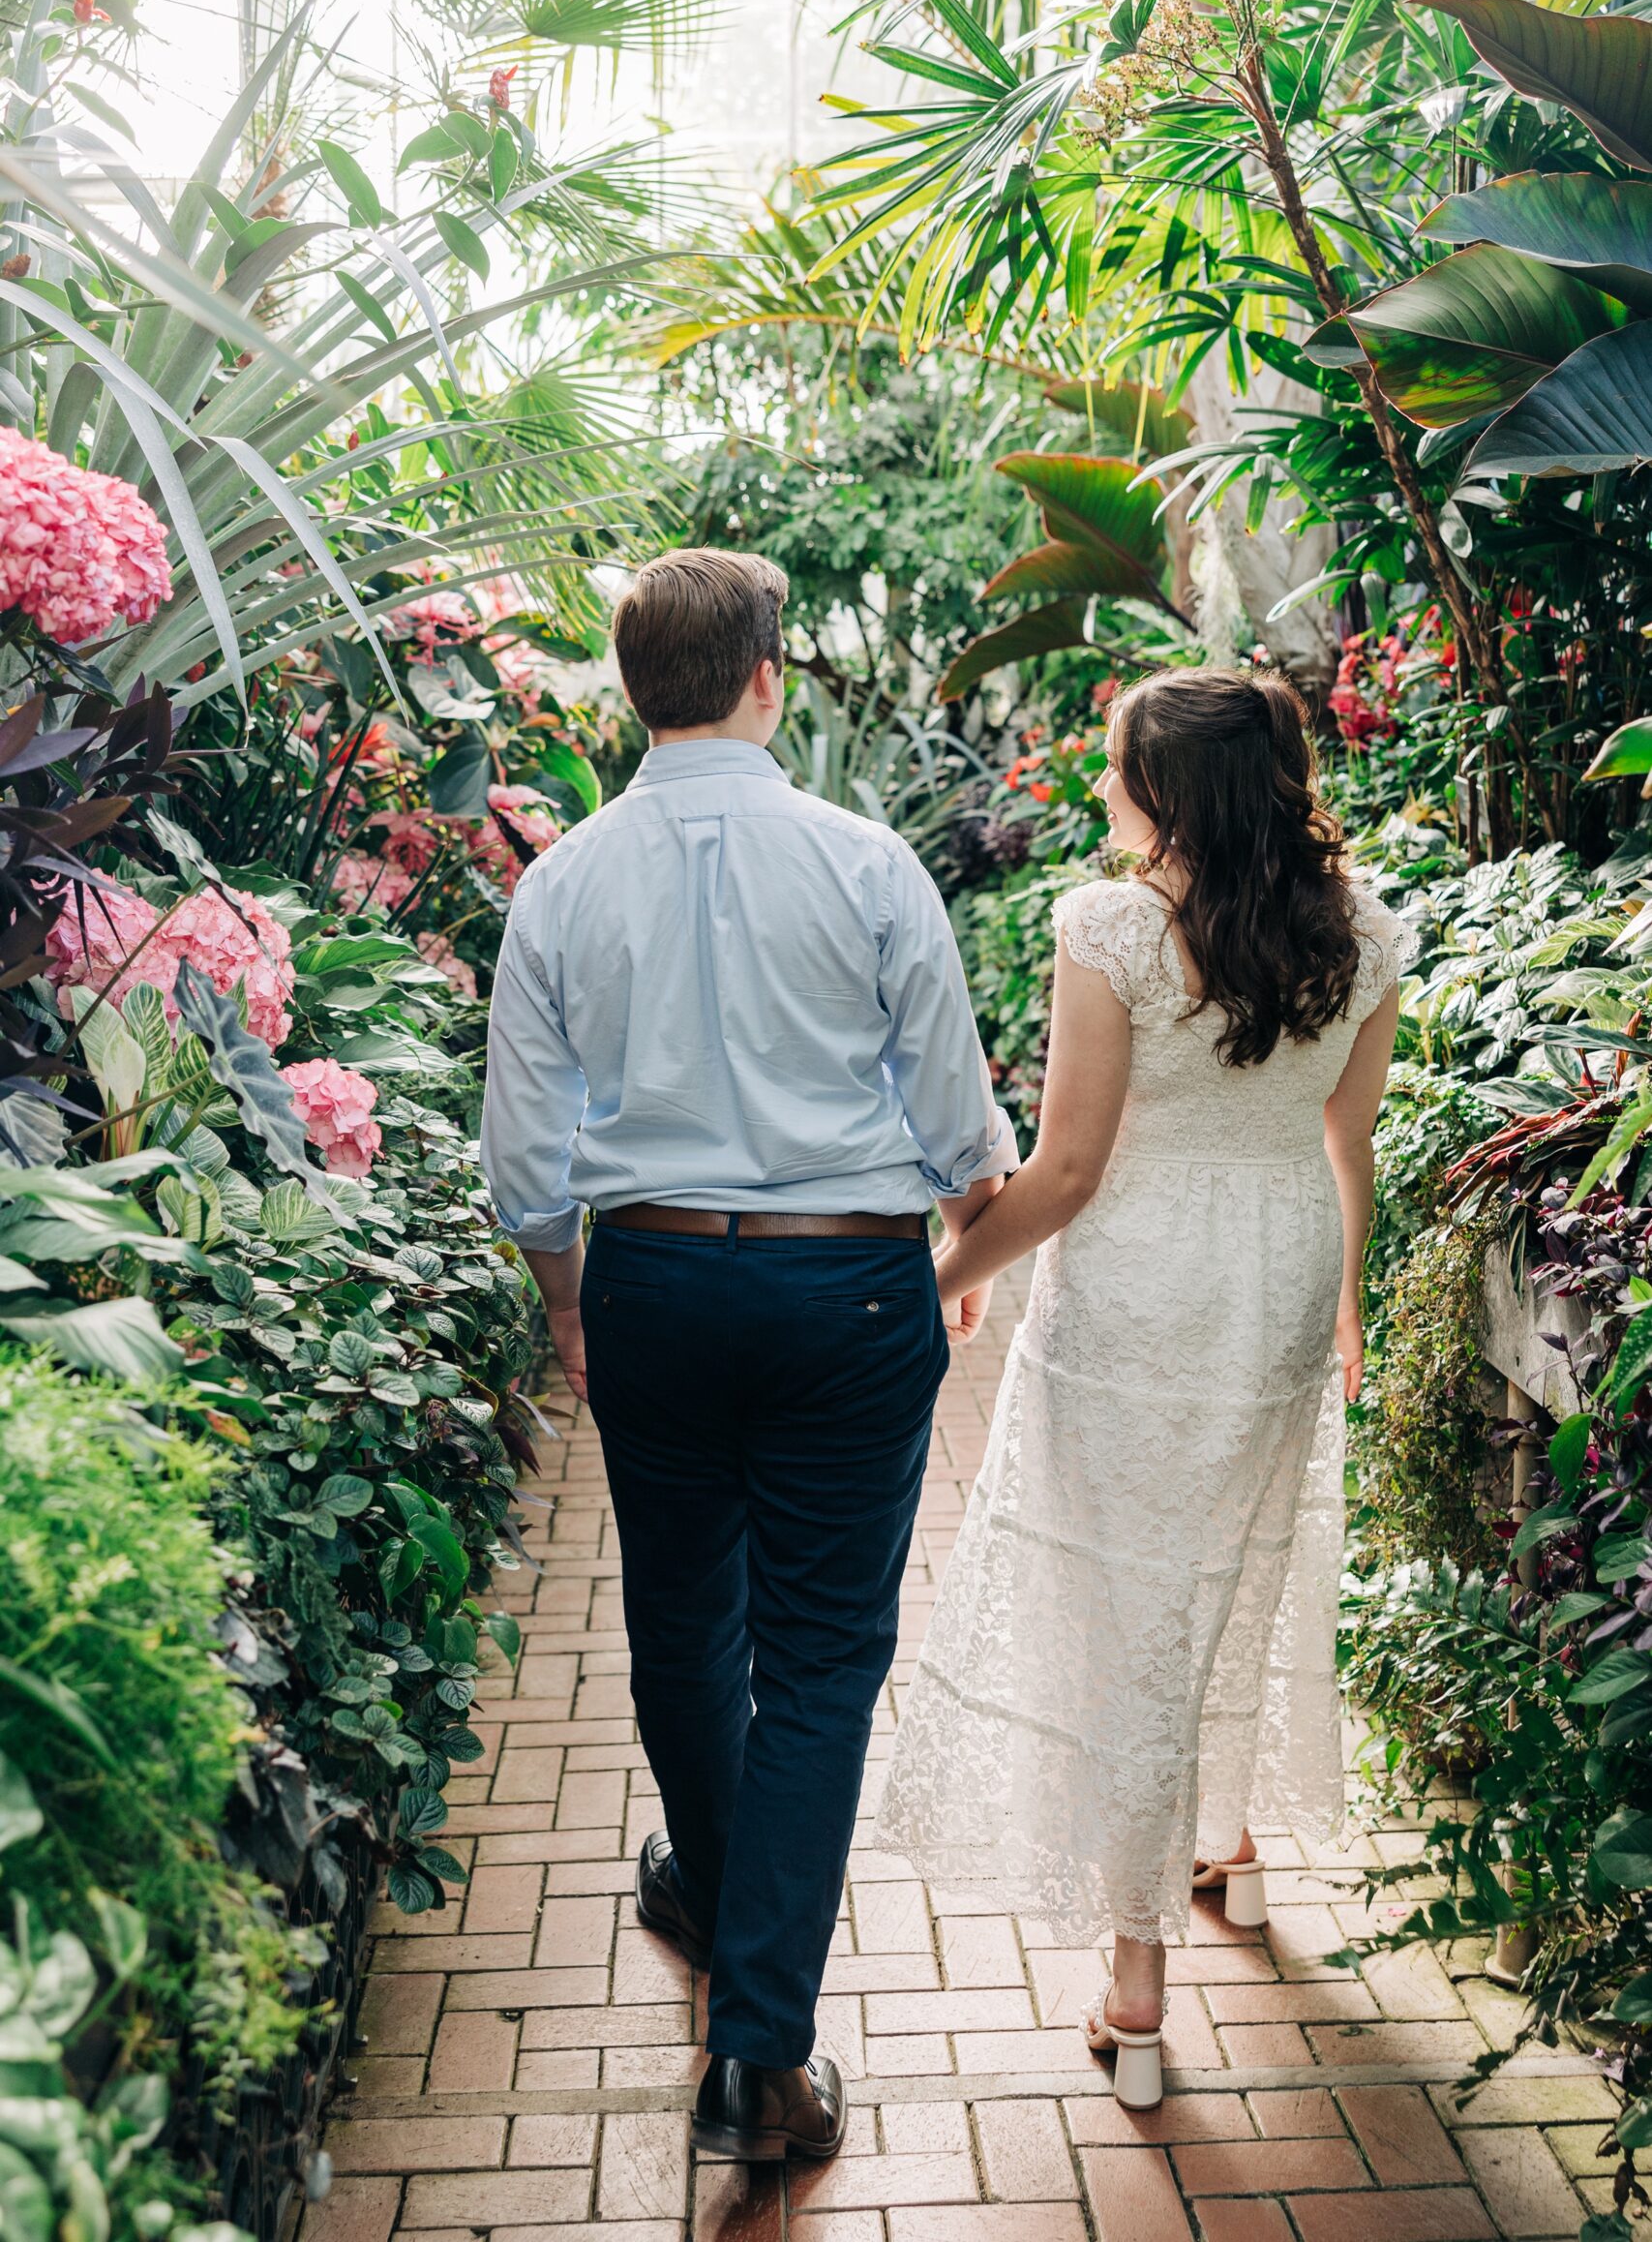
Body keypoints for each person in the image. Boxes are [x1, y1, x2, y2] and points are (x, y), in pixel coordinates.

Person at [480, 550, 1017, 2163]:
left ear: (633, 693)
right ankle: (759, 2058)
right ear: (768, 677)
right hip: (845, 1290)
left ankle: (712, 1891)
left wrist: (572, 1297)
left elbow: (525, 1156)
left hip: (649, 1275)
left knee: (681, 1617)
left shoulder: (558, 882)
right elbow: (954, 1118)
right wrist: (955, 1248)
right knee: (823, 1659)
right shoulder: (865, 863)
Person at [876, 664, 1400, 2110]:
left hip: (1142, 1291)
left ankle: (1138, 1984)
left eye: (1116, 768)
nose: (1102, 790)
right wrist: (1348, 1297)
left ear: (1165, 791)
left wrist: (939, 1270)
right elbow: (1342, 1149)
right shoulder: (1364, 932)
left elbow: (1069, 1172)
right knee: (1229, 1560)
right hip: (1281, 1268)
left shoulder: (1110, 927)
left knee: (1133, 1605)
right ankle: (1220, 1840)